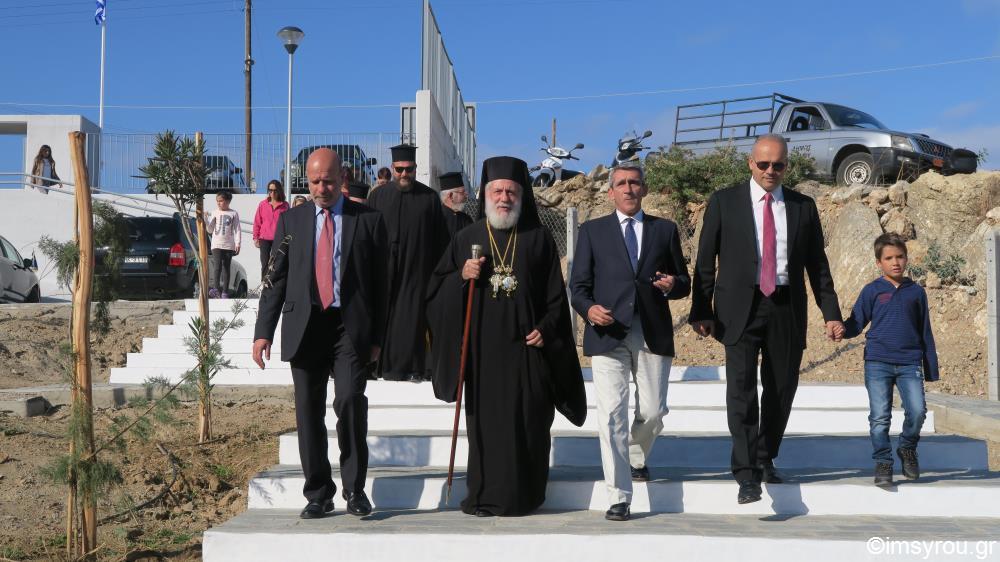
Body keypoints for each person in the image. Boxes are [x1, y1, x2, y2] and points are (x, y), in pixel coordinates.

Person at [428, 156, 587, 517]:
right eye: (497, 191)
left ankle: (526, 495)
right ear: (486, 194)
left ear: (521, 195)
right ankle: (483, 496)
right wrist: (461, 277)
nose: (504, 198)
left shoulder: (539, 239)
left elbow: (555, 300)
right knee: (487, 429)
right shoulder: (467, 238)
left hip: (528, 353)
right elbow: (435, 293)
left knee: (530, 424)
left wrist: (546, 330)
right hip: (483, 357)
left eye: (511, 192)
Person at [689, 134, 844, 505]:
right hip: (738, 309)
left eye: (778, 164)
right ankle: (746, 475)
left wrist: (831, 313)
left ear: (787, 166)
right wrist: (701, 309)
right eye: (763, 164)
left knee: (781, 388)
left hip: (786, 306)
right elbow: (705, 259)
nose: (770, 171)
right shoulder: (724, 201)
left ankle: (764, 456)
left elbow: (818, 266)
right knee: (741, 392)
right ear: (750, 163)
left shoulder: (803, 206)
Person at [252, 148, 388, 519]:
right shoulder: (290, 221)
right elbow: (275, 280)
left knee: (349, 401)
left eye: (328, 181)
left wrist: (378, 337)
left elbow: (382, 285)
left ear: (342, 178)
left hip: (350, 327)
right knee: (308, 411)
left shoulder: (369, 220)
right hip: (306, 326)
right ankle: (318, 493)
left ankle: (355, 489)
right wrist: (263, 332)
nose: (321, 188)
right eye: (314, 182)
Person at [569, 163, 690, 521]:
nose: (628, 188)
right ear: (610, 192)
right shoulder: (592, 231)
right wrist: (589, 310)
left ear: (644, 189)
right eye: (621, 183)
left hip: (651, 330)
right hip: (607, 333)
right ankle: (619, 495)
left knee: (653, 411)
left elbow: (684, 282)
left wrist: (673, 285)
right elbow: (578, 287)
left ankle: (636, 454)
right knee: (611, 414)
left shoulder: (664, 230)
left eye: (634, 183)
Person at [841, 233, 937, 487]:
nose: (895, 262)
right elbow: (856, 323)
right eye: (889, 258)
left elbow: (925, 330)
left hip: (910, 362)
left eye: (900, 256)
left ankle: (907, 447)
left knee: (917, 411)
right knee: (880, 417)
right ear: (879, 262)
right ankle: (883, 461)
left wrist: (930, 368)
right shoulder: (872, 290)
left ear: (907, 259)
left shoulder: (916, 292)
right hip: (877, 362)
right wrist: (841, 329)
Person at [365, 144, 449, 382]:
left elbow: (440, 241)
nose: (404, 174)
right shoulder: (378, 196)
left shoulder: (429, 198)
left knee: (409, 319)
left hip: (415, 272)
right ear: (392, 168)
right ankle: (376, 365)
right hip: (383, 272)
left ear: (415, 168)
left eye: (409, 169)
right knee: (381, 315)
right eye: (400, 169)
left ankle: (408, 367)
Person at [253, 179, 290, 280]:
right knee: (265, 263)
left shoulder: (285, 206)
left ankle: (274, 285)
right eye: (270, 190)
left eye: (275, 190)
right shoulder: (263, 204)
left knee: (276, 263)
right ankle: (264, 285)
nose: (272, 193)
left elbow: (288, 223)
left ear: (279, 191)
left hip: (279, 239)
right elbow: (257, 222)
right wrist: (255, 238)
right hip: (264, 239)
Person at [207, 190, 241, 298]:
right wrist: (206, 220)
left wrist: (238, 243)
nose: (218, 203)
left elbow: (237, 229)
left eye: (221, 201)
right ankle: (216, 289)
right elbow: (210, 230)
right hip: (216, 244)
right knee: (217, 266)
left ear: (227, 201)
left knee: (226, 267)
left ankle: (225, 292)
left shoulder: (233, 213)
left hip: (228, 245)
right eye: (217, 201)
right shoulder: (215, 212)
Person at [439, 171, 473, 237]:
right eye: (462, 192)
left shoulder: (466, 219)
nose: (466, 195)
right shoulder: (436, 218)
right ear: (450, 196)